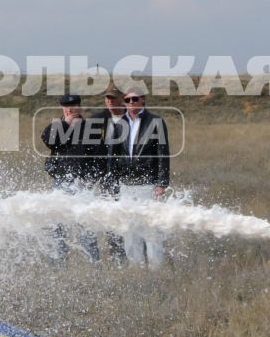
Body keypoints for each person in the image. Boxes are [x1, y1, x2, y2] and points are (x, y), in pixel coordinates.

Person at [109, 88, 171, 268]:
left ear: (143, 100)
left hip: (147, 183)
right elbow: (112, 157)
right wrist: (112, 183)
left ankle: (156, 268)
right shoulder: (119, 123)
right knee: (130, 229)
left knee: (151, 228)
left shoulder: (156, 122)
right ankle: (136, 268)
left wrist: (161, 182)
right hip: (126, 184)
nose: (131, 103)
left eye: (134, 99)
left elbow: (163, 154)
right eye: (127, 100)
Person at [39, 94, 104, 261]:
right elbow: (48, 140)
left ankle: (93, 262)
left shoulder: (90, 127)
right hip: (60, 182)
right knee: (57, 224)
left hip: (82, 183)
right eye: (66, 106)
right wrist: (65, 124)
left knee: (84, 224)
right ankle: (59, 262)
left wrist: (93, 177)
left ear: (79, 107)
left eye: (73, 105)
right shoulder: (58, 126)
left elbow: (100, 155)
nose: (70, 109)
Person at [97, 87, 129, 264]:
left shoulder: (132, 118)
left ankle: (136, 253)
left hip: (127, 177)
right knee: (111, 216)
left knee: (129, 214)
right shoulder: (99, 119)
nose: (109, 101)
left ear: (122, 99)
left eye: (112, 98)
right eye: (106, 98)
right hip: (106, 178)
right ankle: (117, 255)